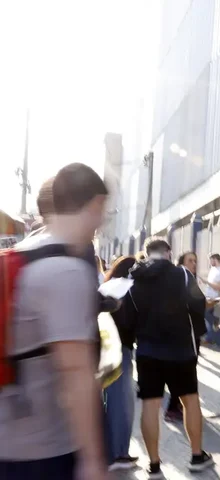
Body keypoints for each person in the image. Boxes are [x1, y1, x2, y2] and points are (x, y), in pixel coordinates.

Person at [0, 163, 109, 480]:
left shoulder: (25, 250)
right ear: (95, 204)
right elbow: (75, 370)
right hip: (43, 449)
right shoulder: (66, 271)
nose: (101, 221)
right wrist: (93, 460)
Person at [126, 238, 213, 478]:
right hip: (180, 350)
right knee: (190, 401)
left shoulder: (134, 278)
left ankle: (154, 464)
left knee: (150, 405)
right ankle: (197, 456)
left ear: (146, 253)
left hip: (147, 351)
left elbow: (129, 313)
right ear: (168, 253)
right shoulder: (183, 275)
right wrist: (196, 332)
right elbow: (198, 304)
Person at [102, 256, 139, 471]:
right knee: (121, 405)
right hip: (120, 351)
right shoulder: (126, 289)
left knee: (113, 403)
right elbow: (127, 322)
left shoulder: (109, 286)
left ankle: (113, 451)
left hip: (107, 349)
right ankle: (118, 453)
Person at [165, 251, 199, 423]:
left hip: (177, 335)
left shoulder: (179, 278)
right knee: (183, 375)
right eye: (190, 260)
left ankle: (176, 406)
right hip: (185, 335)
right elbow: (195, 304)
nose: (194, 264)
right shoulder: (184, 277)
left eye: (195, 261)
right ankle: (175, 407)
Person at [199, 253, 220, 342]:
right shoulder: (213, 269)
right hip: (208, 296)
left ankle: (210, 336)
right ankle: (210, 336)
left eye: (210, 260)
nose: (209, 262)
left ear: (215, 259)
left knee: (206, 315)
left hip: (215, 298)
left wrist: (206, 282)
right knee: (206, 316)